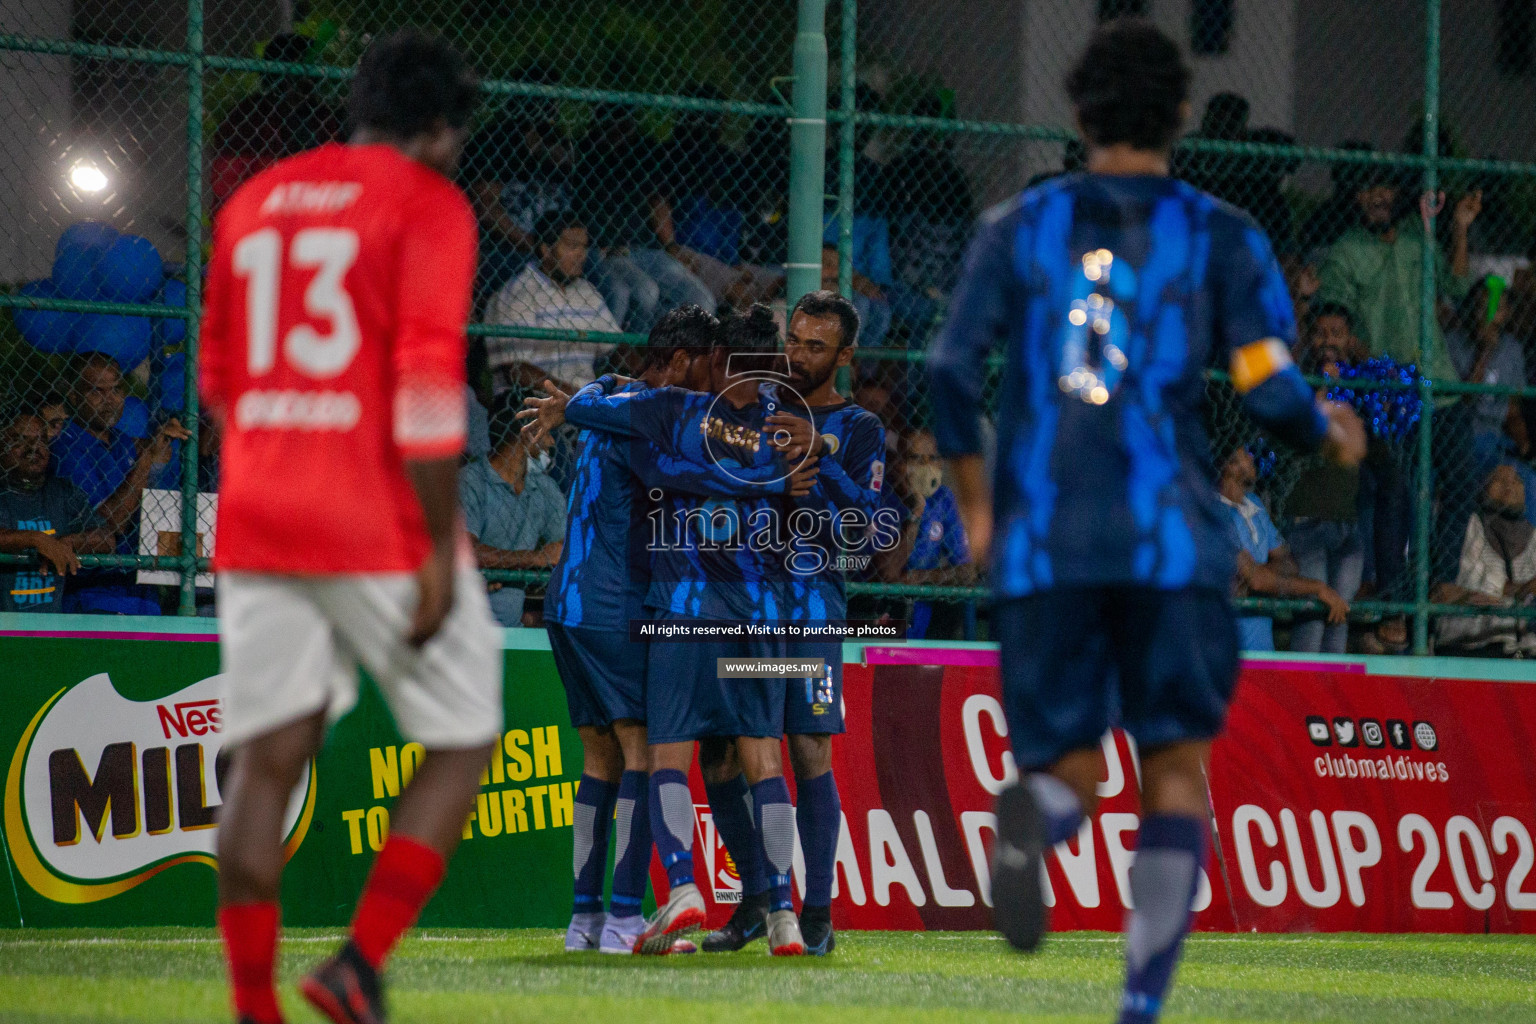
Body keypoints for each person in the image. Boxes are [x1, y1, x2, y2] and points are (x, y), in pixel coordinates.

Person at [927, 20, 1365, 1024]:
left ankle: (1034, 815)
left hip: (1046, 543)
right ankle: (1137, 1007)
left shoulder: (1016, 225)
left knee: (1068, 764)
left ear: (1077, 113)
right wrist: (1326, 425)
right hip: (1171, 538)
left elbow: (950, 370)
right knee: (1174, 769)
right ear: (1179, 115)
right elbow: (1263, 383)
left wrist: (978, 506)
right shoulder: (1222, 234)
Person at [199, 30, 501, 1024]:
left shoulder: (253, 203)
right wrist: (431, 546)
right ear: (442, 128)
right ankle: (357, 965)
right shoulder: (428, 203)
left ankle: (254, 1009)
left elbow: (216, 380)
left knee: (265, 763)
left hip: (255, 512)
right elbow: (424, 386)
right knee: (461, 736)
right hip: (372, 510)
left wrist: (278, 455)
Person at [519, 305, 817, 954]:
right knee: (678, 753)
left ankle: (591, 920)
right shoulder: (761, 421)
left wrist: (574, 402)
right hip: (688, 609)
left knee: (612, 756)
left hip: (580, 604)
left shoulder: (623, 401)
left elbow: (607, 419)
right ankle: (645, 915)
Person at [697, 291, 884, 957]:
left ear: (843, 355)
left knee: (807, 748)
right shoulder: (761, 407)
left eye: (814, 346)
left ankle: (819, 911)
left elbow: (867, 529)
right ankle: (753, 899)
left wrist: (821, 464)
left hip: (808, 607)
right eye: (794, 341)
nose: (798, 356)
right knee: (720, 749)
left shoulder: (860, 428)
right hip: (741, 605)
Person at [1314, 157, 1479, 387]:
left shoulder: (1417, 234)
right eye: (1368, 188)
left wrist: (1460, 228)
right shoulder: (1344, 254)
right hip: (1386, 392)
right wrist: (1386, 372)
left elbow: (1457, 286)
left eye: (1386, 187)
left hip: (1437, 381)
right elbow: (1338, 331)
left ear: (1396, 193)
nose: (1378, 195)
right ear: (1356, 197)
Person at [54, 352, 190, 614]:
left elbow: (148, 503)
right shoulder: (65, 447)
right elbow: (107, 526)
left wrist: (158, 458)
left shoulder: (122, 441)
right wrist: (147, 460)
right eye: (97, 391)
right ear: (73, 396)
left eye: (116, 389)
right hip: (93, 594)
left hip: (140, 590)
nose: (110, 400)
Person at [579, 104, 715, 332]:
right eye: (612, 122)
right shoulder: (584, 152)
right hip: (607, 250)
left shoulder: (643, 151)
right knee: (646, 291)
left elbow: (658, 201)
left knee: (701, 298)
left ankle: (669, 356)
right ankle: (633, 355)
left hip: (646, 249)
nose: (620, 128)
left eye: (625, 122)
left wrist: (671, 245)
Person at [1286, 307, 1367, 654]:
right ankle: (1298, 702)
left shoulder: (1363, 388)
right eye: (1321, 333)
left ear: (1350, 341)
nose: (1328, 341)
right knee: (1314, 618)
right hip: (1309, 520)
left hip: (1348, 524)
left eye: (1337, 333)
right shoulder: (1297, 383)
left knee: (1339, 622)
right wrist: (1322, 391)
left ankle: (1328, 701)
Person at [1217, 447, 1349, 651]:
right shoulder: (1213, 513)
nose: (1251, 458)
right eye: (1244, 454)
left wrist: (1263, 577)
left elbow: (1286, 563)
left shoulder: (1254, 503)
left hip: (1262, 650)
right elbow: (1258, 581)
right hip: (1228, 651)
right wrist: (1317, 588)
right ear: (1228, 465)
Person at [459, 388, 567, 627]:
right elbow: (467, 552)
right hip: (466, 628)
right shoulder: (471, 482)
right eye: (548, 433)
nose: (550, 442)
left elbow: (566, 547)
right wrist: (536, 559)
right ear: (527, 433)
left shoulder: (542, 487)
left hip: (513, 626)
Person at [483, 211, 622, 391]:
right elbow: (515, 369)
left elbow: (615, 345)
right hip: (535, 405)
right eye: (572, 246)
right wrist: (573, 396)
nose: (581, 254)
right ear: (546, 250)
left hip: (583, 401)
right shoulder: (517, 293)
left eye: (584, 247)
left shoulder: (586, 291)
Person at [209, 32, 343, 211]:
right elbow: (227, 180)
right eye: (299, 66)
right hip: (260, 208)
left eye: (310, 68)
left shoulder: (321, 116)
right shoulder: (249, 115)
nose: (309, 78)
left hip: (314, 207)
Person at [0, 408, 116, 612]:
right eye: (20, 440)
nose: (33, 447)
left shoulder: (62, 491)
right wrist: (36, 540)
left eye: (41, 440)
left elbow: (106, 539)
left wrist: (66, 543)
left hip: (48, 625)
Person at [1434, 464, 1536, 655]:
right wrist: (1522, 589)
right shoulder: (1470, 524)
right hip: (1469, 643)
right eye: (1499, 480)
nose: (1509, 486)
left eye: (1516, 481)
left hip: (1518, 647)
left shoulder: (1533, 536)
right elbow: (1473, 580)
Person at [901, 427, 975, 640]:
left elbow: (966, 571)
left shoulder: (943, 499)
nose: (926, 467)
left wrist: (923, 577)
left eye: (933, 458)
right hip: (889, 602)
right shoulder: (888, 496)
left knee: (953, 604)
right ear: (902, 464)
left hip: (927, 597)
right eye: (916, 459)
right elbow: (888, 575)